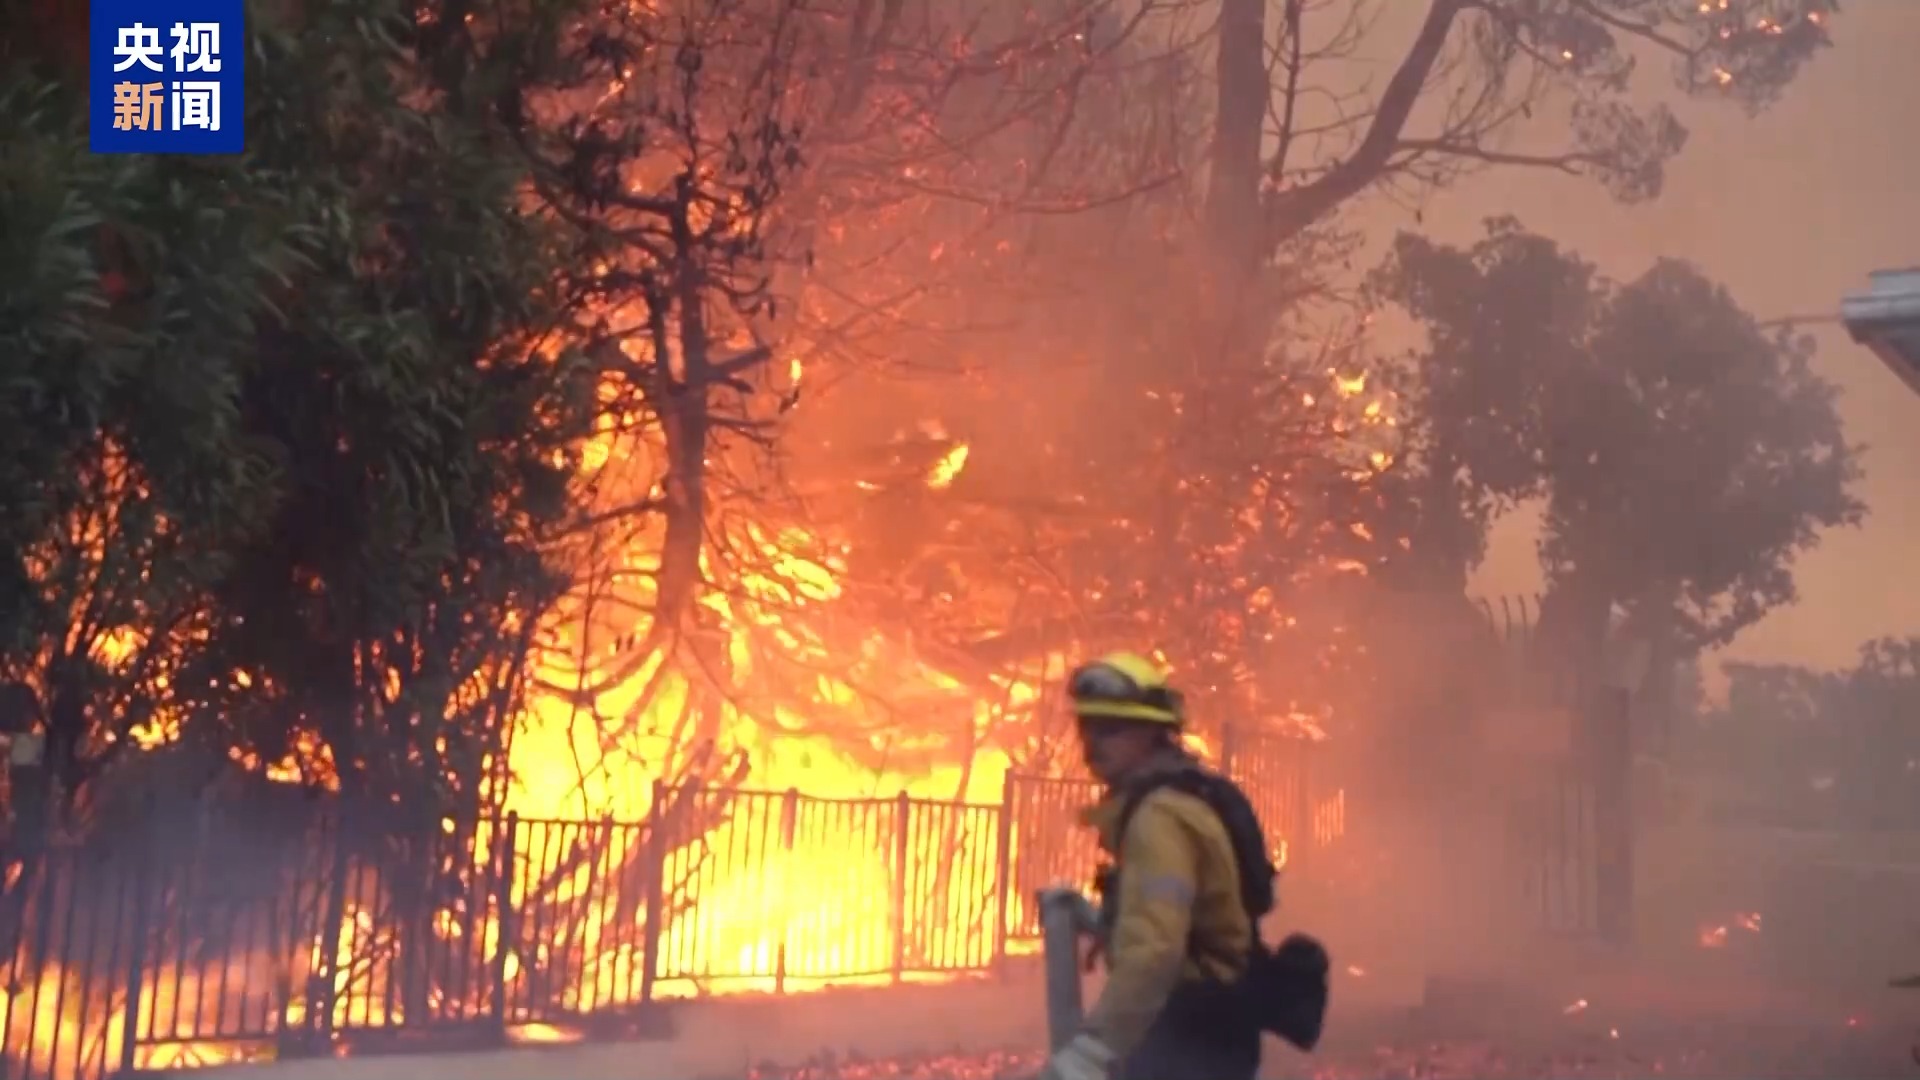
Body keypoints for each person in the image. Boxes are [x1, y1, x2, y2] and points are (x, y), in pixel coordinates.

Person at [1038, 651, 1265, 1080]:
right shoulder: (1184, 797)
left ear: (1153, 733)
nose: (1093, 742)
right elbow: (1172, 918)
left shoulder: (1157, 817)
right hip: (1212, 1025)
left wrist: (1093, 1051)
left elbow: (1156, 951)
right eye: (1087, 727)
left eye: (1112, 729)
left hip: (1186, 1029)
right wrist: (1101, 920)